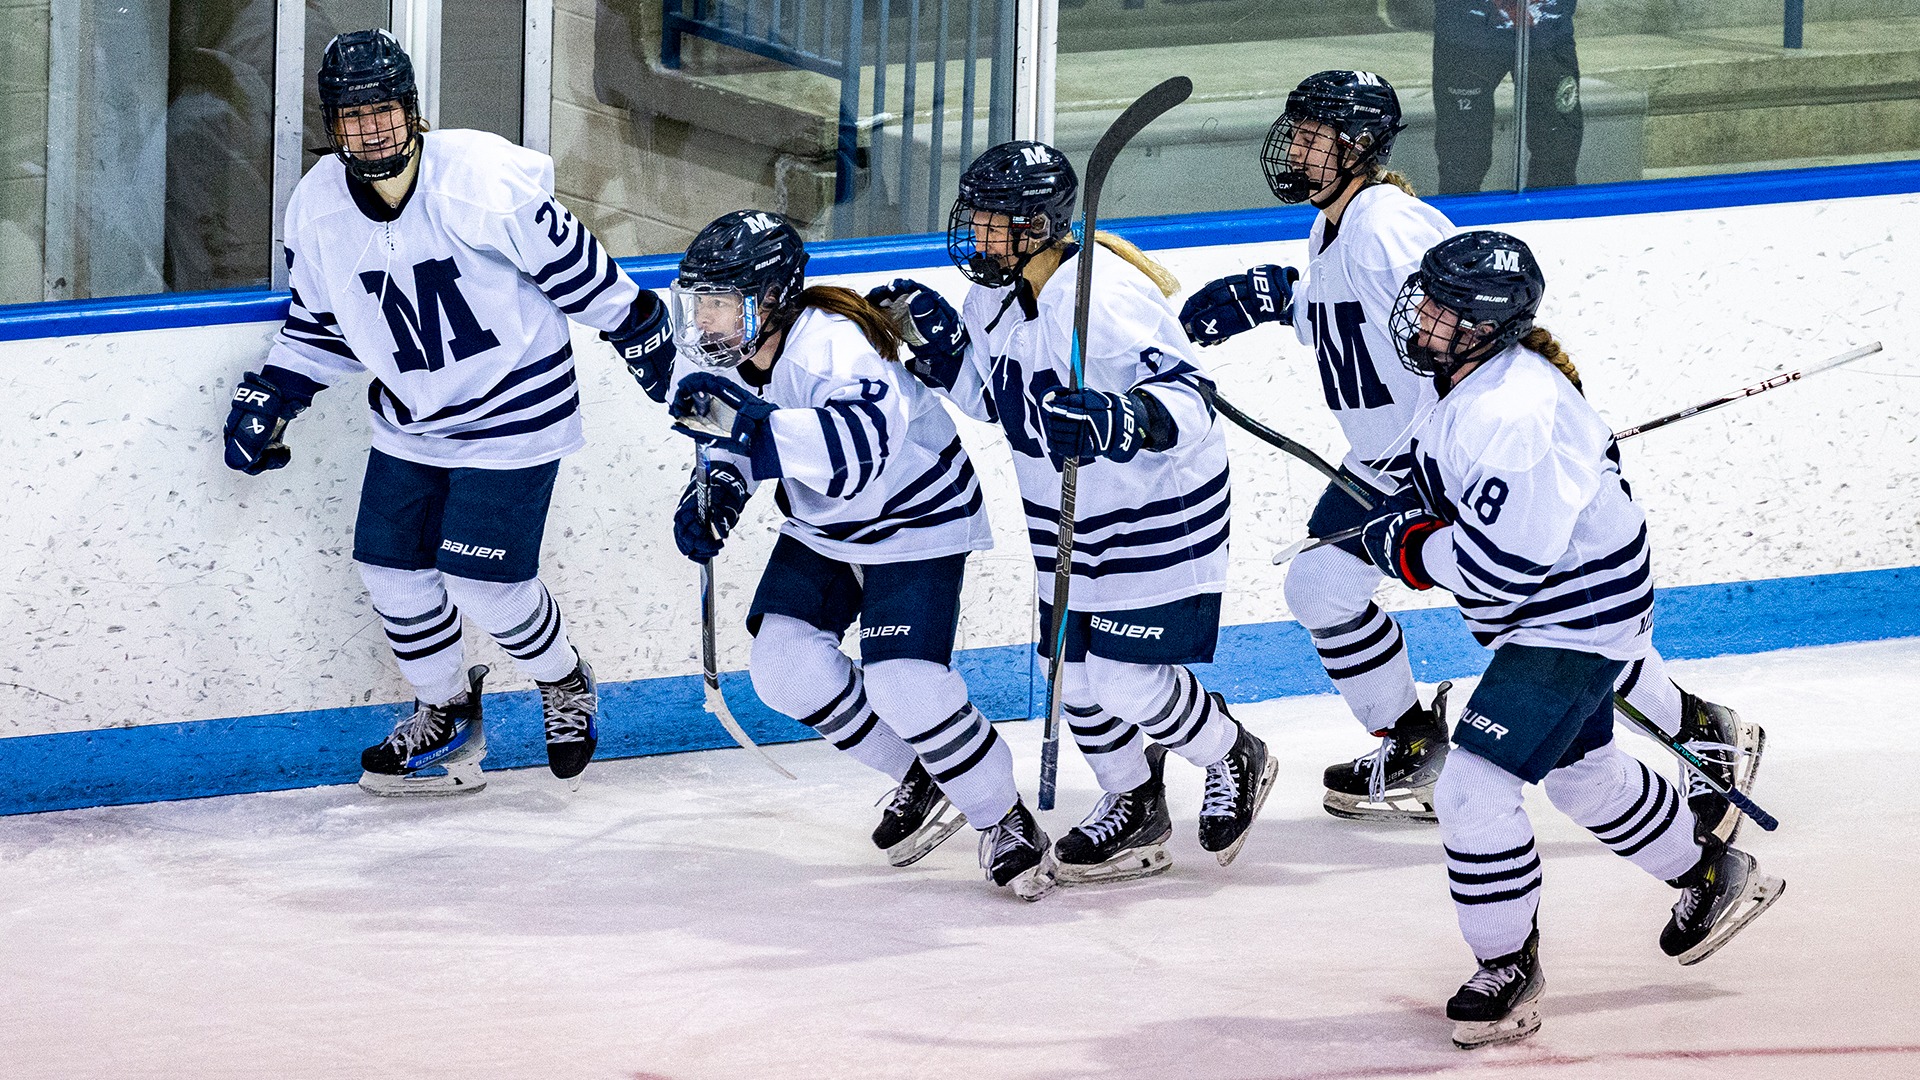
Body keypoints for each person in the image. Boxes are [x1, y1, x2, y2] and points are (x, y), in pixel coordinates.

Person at [1178, 70, 1761, 843]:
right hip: (1389, 459)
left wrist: (1456, 466)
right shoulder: (1337, 225)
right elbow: (1381, 327)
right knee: (1320, 586)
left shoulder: (1388, 224)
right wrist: (1281, 296)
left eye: (1315, 136)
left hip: (1434, 460)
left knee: (1550, 627)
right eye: (1298, 131)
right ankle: (1413, 742)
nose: (1296, 149)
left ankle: (1700, 726)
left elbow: (1458, 328)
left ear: (1358, 147)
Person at [219, 29, 676, 796]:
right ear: (332, 126)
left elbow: (576, 267)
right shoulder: (318, 208)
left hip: (517, 411)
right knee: (389, 572)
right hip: (412, 421)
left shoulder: (480, 179)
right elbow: (325, 327)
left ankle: (564, 681)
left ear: (413, 111)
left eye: (383, 111)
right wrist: (277, 391)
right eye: (352, 116)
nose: (370, 129)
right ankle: (446, 709)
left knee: (486, 585)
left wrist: (637, 324)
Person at [1365, 230, 1784, 1048]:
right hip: (1571, 610)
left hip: (1572, 619)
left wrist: (1408, 548)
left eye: (1448, 308)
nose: (1425, 316)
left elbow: (1504, 567)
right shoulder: (1472, 382)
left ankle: (1506, 967)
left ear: (1489, 325)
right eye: (1429, 296)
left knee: (1472, 788)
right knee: (1583, 778)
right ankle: (1711, 873)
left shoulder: (1515, 410)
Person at [869, 141, 1276, 886]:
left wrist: (1123, 419)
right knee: (1073, 681)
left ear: (1041, 226)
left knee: (1125, 681)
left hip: (1157, 511)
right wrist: (938, 356)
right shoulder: (989, 301)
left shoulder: (1105, 297)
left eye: (999, 225)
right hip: (1066, 522)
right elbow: (1002, 403)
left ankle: (1231, 751)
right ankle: (1135, 802)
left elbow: (1193, 397)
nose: (981, 237)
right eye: (978, 220)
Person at [663, 210, 1054, 900]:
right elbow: (728, 439)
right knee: (783, 668)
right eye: (703, 305)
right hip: (826, 529)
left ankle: (1004, 818)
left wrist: (750, 434)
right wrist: (719, 487)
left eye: (723, 305)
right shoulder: (735, 353)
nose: (708, 322)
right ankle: (925, 772)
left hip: (916, 521)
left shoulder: (831, 345)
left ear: (772, 299)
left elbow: (856, 453)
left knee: (904, 683)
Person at [1432, 0, 1583, 194]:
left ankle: (1552, 217)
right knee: (1461, 158)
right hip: (1466, 36)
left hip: (1549, 35)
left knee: (1557, 149)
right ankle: (1459, 220)